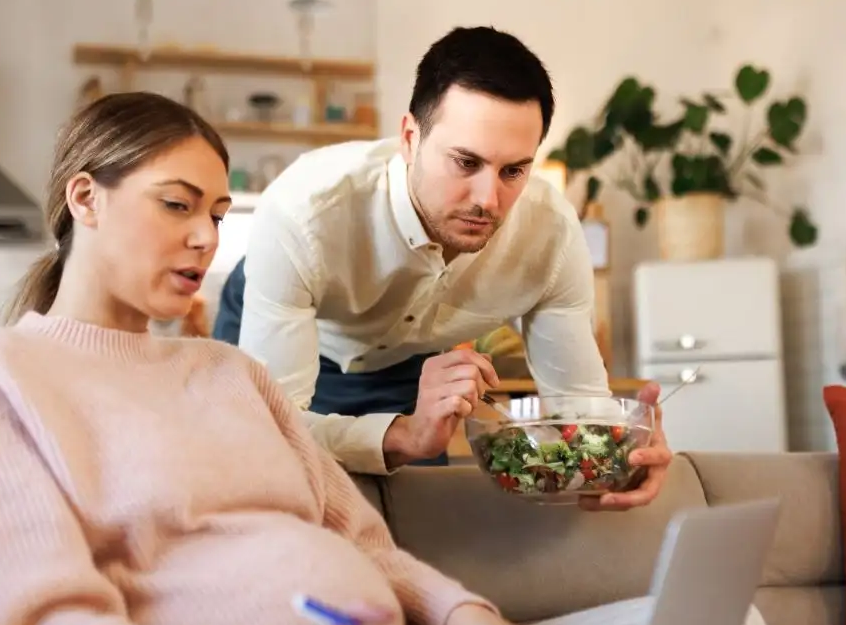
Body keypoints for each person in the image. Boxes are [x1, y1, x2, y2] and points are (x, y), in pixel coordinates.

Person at [0, 92, 775, 625]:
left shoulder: (230, 375)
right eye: (177, 205)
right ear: (84, 199)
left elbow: (364, 543)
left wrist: (465, 616)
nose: (208, 241)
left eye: (215, 214)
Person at [214, 26, 665, 510]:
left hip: (414, 362)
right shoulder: (304, 213)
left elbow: (582, 413)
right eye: (465, 162)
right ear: (410, 137)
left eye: (513, 171)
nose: (488, 201)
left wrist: (621, 453)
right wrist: (401, 435)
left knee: (410, 522)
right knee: (257, 488)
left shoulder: (550, 237)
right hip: (297, 326)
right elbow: (273, 429)